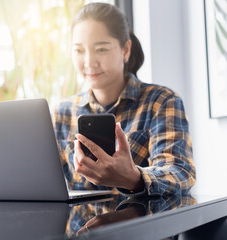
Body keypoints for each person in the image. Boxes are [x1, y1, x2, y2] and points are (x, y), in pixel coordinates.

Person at [53, 2, 195, 197]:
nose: (88, 62)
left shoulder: (160, 102)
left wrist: (132, 177)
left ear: (126, 50)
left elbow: (180, 173)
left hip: (141, 225)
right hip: (79, 227)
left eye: (101, 49)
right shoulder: (63, 112)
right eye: (79, 50)